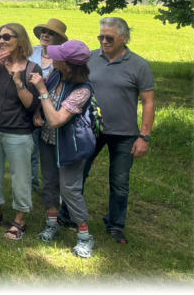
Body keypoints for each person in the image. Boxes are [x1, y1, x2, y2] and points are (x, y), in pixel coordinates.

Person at [60, 17, 155, 245]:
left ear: (124, 38)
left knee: (120, 183)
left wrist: (144, 136)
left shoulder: (139, 65)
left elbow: (148, 102)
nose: (104, 41)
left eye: (109, 38)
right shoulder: (90, 59)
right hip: (89, 129)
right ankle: (68, 215)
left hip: (124, 134)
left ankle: (115, 225)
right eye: (100, 37)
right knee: (77, 175)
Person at [29, 40, 96, 258]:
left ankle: (84, 236)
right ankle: (52, 225)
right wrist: (38, 113)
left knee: (69, 189)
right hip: (47, 140)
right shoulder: (56, 75)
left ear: (69, 65)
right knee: (49, 183)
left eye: (58, 57)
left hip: (71, 145)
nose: (52, 59)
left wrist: (41, 90)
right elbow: (47, 103)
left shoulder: (82, 90)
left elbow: (57, 120)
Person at [0, 23, 41, 240]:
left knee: (20, 177)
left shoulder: (32, 69)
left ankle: (20, 220)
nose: (1, 41)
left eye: (6, 37)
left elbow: (31, 104)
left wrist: (18, 81)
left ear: (20, 40)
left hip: (18, 132)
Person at [27, 18, 68, 191]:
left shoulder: (62, 58)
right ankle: (31, 183)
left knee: (49, 151)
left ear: (59, 39)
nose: (45, 35)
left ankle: (53, 187)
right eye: (44, 31)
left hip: (52, 109)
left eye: (51, 33)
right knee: (30, 149)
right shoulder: (31, 52)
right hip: (29, 106)